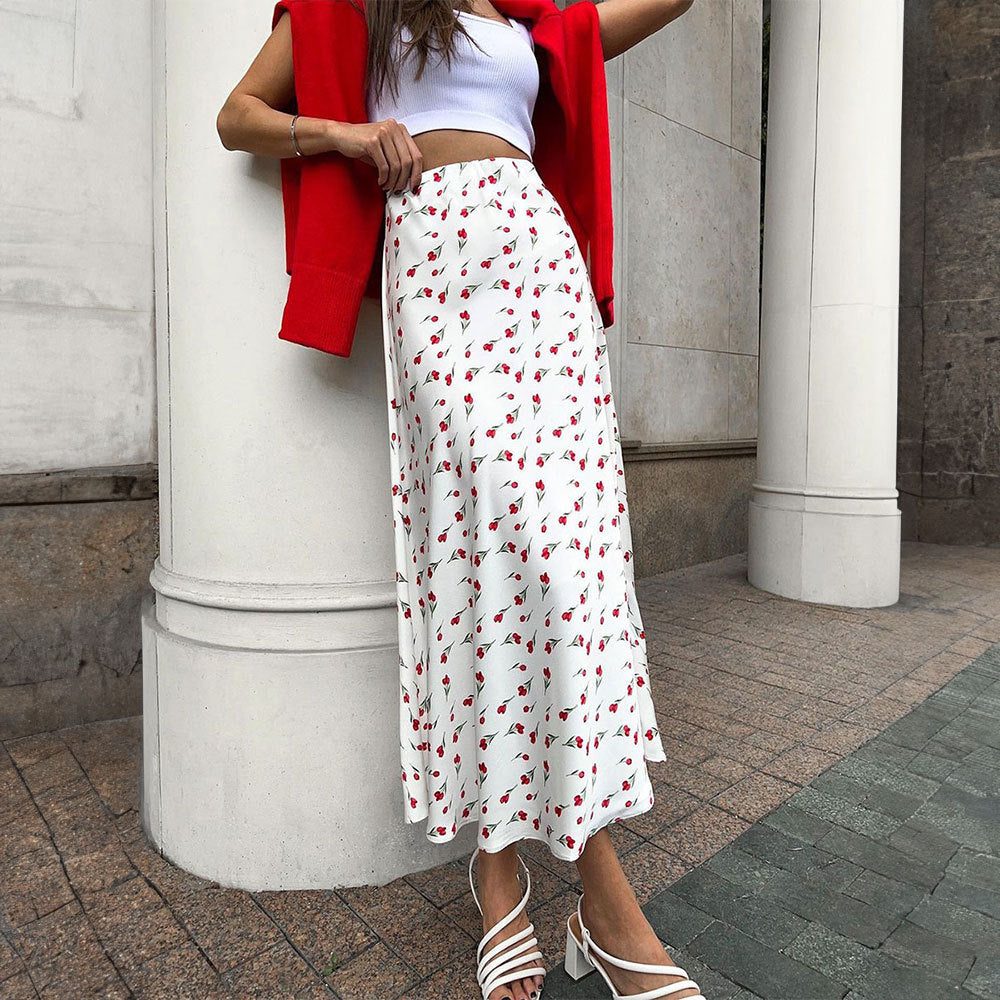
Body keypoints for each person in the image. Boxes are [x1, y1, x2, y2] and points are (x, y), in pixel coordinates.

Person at [216, 2, 700, 998]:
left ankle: (505, 873)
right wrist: (348, 134)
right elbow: (239, 114)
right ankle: (592, 904)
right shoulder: (358, 7)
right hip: (437, 263)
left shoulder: (534, 17)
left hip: (543, 272)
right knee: (482, 558)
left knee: (576, 578)